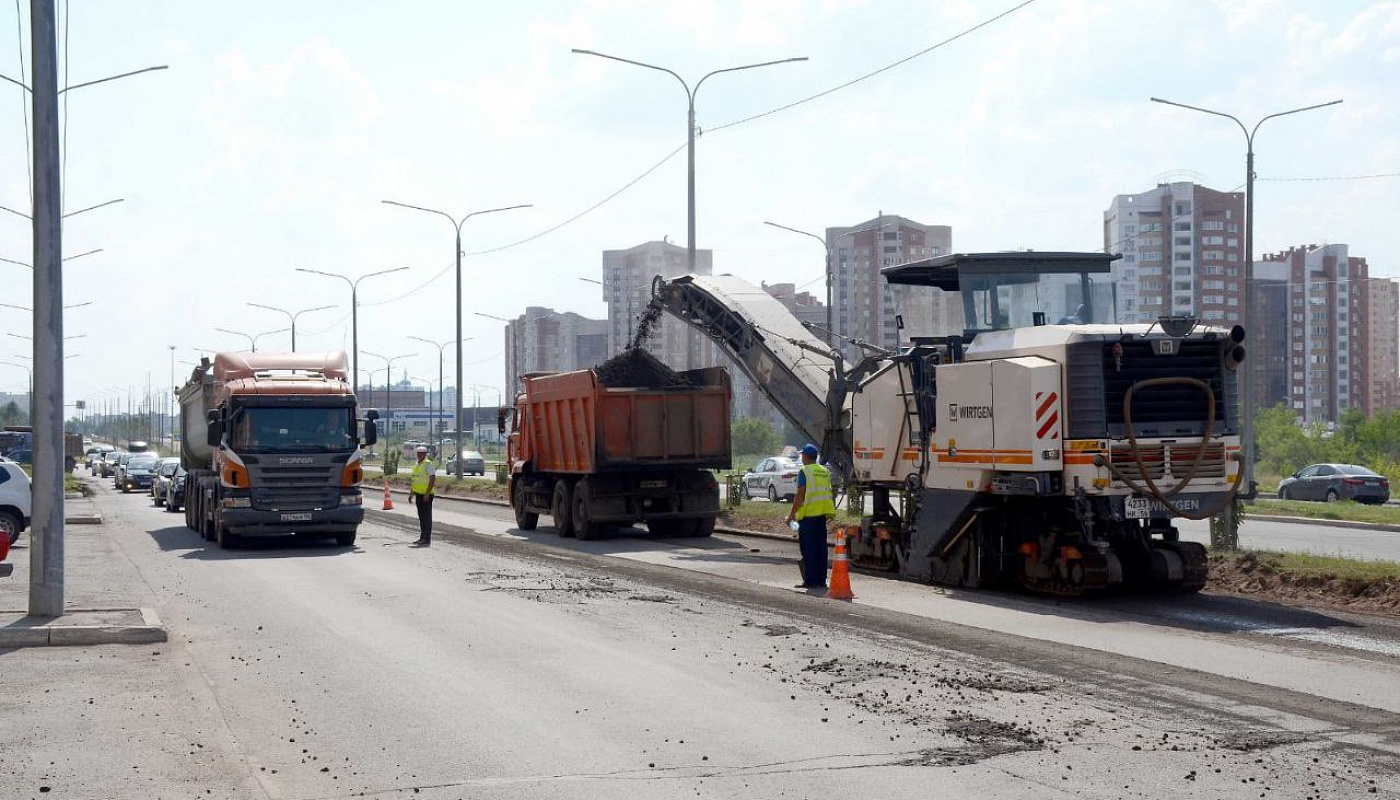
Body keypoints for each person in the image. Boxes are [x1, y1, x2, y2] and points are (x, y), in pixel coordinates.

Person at [785, 443, 836, 590]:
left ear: (806, 456)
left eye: (802, 455)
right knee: (821, 548)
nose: (801, 457)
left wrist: (791, 516)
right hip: (822, 515)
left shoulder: (804, 471)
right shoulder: (824, 470)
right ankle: (821, 580)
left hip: (807, 516)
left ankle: (810, 581)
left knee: (808, 549)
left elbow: (800, 495)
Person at [409, 445, 436, 546]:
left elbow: (432, 479)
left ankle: (426, 539)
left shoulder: (428, 464)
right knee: (421, 517)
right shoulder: (416, 465)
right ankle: (422, 537)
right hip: (418, 494)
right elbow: (414, 480)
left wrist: (427, 493)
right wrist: (411, 493)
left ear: (425, 454)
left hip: (426, 495)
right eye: (418, 453)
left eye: (421, 453)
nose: (419, 455)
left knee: (426, 517)